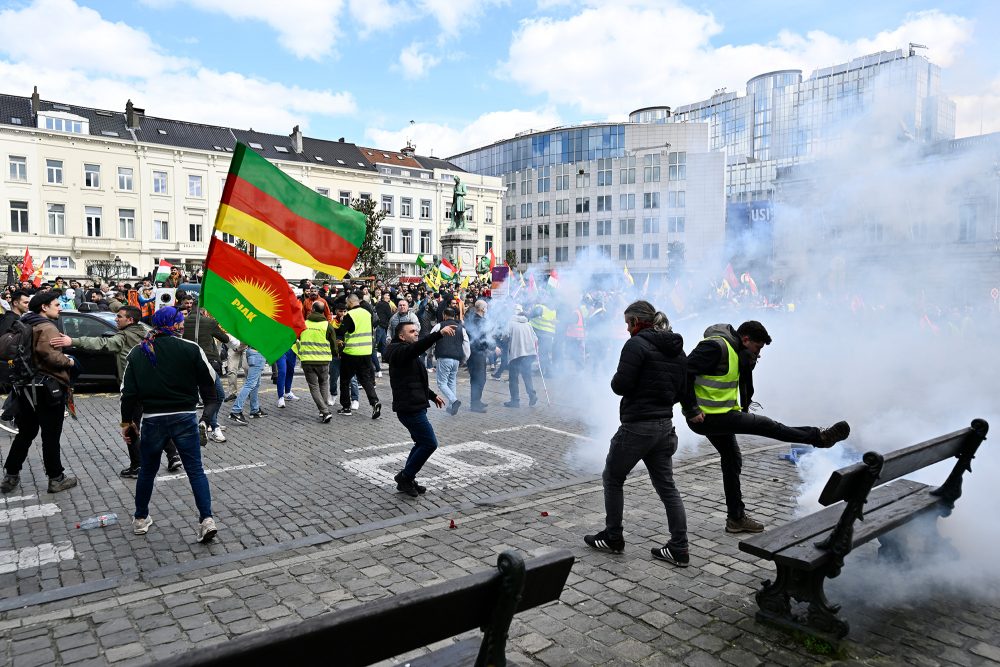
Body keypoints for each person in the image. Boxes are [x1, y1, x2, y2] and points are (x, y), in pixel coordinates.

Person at [682, 321, 851, 533]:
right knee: (769, 426)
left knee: (732, 458)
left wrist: (748, 364)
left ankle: (735, 518)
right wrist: (691, 409)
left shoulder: (736, 353)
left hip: (721, 416)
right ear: (745, 339)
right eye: (758, 347)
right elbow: (683, 372)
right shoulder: (716, 346)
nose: (759, 353)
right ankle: (819, 437)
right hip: (708, 418)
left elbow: (739, 386)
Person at [584, 301, 689, 566]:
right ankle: (679, 546)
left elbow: (621, 385)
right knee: (667, 487)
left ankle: (613, 536)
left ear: (635, 322)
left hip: (638, 425)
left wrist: (618, 380)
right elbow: (684, 388)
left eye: (627, 323)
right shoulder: (676, 347)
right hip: (665, 424)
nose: (626, 328)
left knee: (613, 477)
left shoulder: (636, 345)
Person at [120, 307, 219, 543]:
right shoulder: (190, 348)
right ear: (175, 325)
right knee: (195, 470)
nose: (183, 324)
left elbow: (128, 394)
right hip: (184, 416)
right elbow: (210, 386)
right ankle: (206, 520)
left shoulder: (138, 352)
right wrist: (206, 417)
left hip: (153, 419)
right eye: (180, 321)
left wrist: (127, 424)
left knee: (147, 471)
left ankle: (140, 518)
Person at [52, 304, 183, 476]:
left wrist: (73, 341)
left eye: (119, 317)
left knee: (129, 425)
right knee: (158, 423)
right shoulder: (147, 332)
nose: (116, 319)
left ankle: (138, 465)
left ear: (130, 320)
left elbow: (103, 343)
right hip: (153, 386)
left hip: (132, 391)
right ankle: (173, 456)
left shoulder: (124, 336)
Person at [1, 291, 78, 494]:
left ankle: (10, 475)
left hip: (25, 388)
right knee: (51, 436)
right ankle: (56, 478)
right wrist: (70, 361)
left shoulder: (25, 322)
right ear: (44, 307)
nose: (59, 307)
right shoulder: (46, 327)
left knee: (25, 433)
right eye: (56, 304)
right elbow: (50, 355)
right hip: (48, 389)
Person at [384, 320, 457, 497]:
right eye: (411, 331)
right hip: (409, 408)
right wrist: (438, 334)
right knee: (429, 443)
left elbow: (415, 380)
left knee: (421, 443)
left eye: (417, 331)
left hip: (416, 405)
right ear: (401, 336)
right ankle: (405, 477)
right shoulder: (399, 350)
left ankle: (407, 478)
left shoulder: (407, 352)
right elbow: (415, 349)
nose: (416, 333)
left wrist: (432, 396)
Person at [337, 294, 381, 418]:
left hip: (351, 352)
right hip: (366, 351)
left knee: (345, 381)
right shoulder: (367, 313)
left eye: (347, 303)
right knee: (366, 379)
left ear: (350, 302)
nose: (346, 306)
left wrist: (339, 325)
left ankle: (346, 407)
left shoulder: (350, 315)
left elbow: (342, 331)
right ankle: (375, 402)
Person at [294, 301, 336, 423]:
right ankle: (324, 410)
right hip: (323, 360)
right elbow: (333, 344)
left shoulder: (304, 324)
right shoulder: (327, 325)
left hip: (307, 360)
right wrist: (335, 353)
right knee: (323, 383)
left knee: (313, 386)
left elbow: (296, 338)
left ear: (312, 310)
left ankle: (324, 411)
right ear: (323, 311)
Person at [0, 290, 32, 435]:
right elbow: (4, 343)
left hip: (15, 361)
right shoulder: (10, 319)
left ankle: (8, 416)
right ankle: (6, 416)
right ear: (15, 303)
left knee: (19, 389)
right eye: (25, 302)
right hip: (11, 362)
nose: (27, 305)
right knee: (22, 388)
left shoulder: (16, 318)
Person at [429, 307, 469, 415]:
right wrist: (464, 359)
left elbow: (430, 339)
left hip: (444, 357)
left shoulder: (439, 325)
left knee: (442, 383)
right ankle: (452, 407)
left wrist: (429, 354)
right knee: (451, 382)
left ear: (444, 315)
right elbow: (466, 345)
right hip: (456, 359)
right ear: (454, 316)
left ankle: (454, 401)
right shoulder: (461, 328)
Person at [504, 305, 538, 408]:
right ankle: (532, 395)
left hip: (516, 355)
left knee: (513, 378)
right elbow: (535, 338)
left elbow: (505, 336)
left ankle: (515, 401)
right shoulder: (528, 324)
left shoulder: (510, 323)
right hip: (528, 354)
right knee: (527, 376)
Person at [465, 299, 491, 413]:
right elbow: (481, 338)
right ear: (481, 308)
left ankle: (477, 400)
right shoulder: (478, 320)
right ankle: (474, 404)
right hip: (476, 353)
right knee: (478, 379)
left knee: (480, 378)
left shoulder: (476, 319)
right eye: (486, 307)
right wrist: (491, 347)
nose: (487, 309)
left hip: (478, 352)